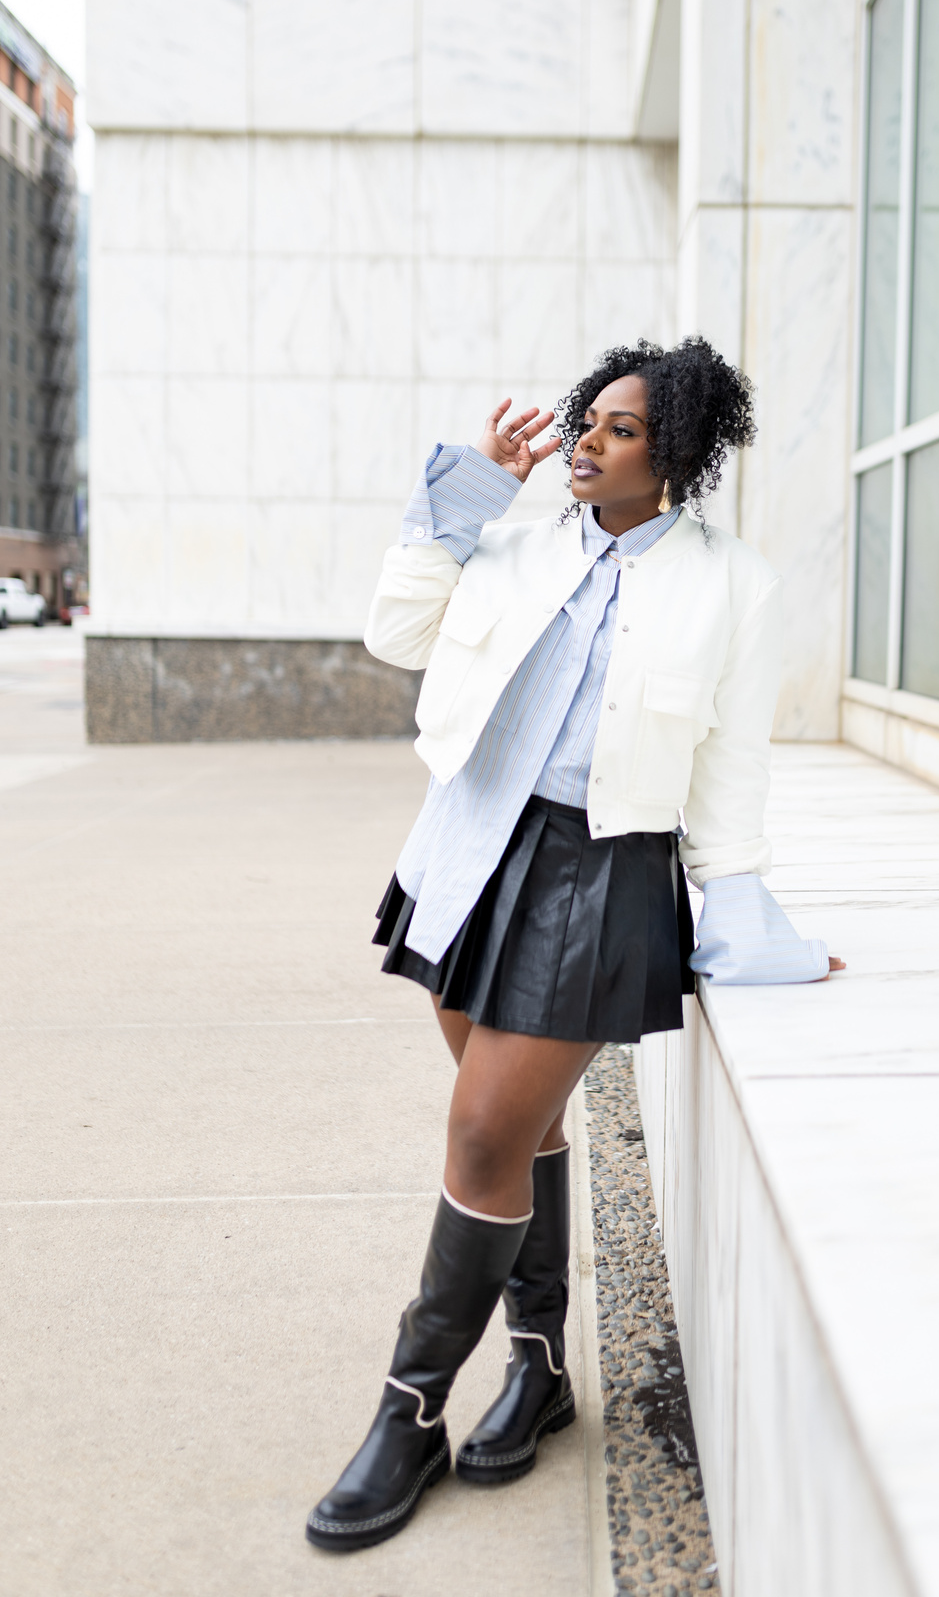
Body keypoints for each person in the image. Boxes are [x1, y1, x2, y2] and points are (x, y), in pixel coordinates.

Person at [305, 337, 843, 1553]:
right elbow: (395, 636)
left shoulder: (734, 585)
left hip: (601, 871)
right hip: (468, 844)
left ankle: (408, 1411)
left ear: (678, 454)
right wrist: (466, 498)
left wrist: (744, 913)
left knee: (482, 1132)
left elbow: (731, 767)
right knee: (523, 1129)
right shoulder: (511, 541)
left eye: (621, 429)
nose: (587, 441)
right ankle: (542, 1367)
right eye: (584, 420)